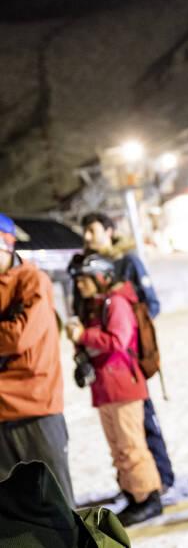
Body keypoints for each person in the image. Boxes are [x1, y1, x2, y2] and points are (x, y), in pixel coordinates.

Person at [79, 212, 174, 492]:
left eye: (92, 230)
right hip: (102, 359)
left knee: (143, 418)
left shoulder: (126, 260)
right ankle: (136, 486)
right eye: (84, 231)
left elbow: (150, 304)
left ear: (109, 231)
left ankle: (161, 480)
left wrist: (127, 334)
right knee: (121, 431)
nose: (86, 237)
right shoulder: (83, 266)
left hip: (127, 354)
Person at [66, 254, 162, 526]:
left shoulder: (117, 303)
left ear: (100, 277)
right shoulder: (95, 306)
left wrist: (83, 335)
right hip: (104, 387)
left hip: (123, 386)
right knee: (118, 447)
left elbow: (118, 340)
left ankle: (148, 498)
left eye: (83, 279)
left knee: (132, 446)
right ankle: (133, 493)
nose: (79, 286)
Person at [0, 212, 74, 503]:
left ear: (7, 244)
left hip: (36, 409)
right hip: (2, 413)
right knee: (13, 514)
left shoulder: (32, 280)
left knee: (56, 506)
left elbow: (19, 336)